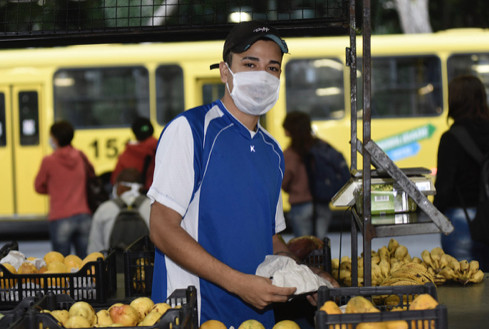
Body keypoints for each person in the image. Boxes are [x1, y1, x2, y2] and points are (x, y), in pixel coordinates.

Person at [147, 21, 298, 328]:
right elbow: (162, 227)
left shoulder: (273, 152)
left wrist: (303, 274)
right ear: (224, 71)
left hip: (257, 317)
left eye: (272, 68)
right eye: (250, 64)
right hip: (196, 315)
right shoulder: (191, 130)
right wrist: (238, 283)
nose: (262, 75)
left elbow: (268, 237)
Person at [434, 75, 489, 270]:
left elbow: (444, 188)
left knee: (466, 290)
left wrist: (435, 212)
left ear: (454, 101)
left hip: (462, 220)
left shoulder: (451, 139)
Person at [34, 120, 92, 258]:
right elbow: (92, 175)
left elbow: (38, 186)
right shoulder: (80, 156)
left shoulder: (49, 161)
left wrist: (54, 188)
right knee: (86, 264)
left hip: (60, 218)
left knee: (60, 267)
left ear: (55, 139)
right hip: (84, 216)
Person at [281, 111, 333, 238]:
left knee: (304, 250)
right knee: (320, 248)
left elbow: (284, 182)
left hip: (301, 206)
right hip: (322, 204)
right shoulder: (322, 146)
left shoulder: (290, 154)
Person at [87, 168, 151, 254]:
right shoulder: (152, 207)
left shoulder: (104, 209)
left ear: (119, 187)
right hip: (146, 265)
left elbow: (94, 251)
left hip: (113, 266)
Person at [111, 116, 158, 192]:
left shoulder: (126, 155)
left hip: (136, 199)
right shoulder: (162, 148)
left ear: (135, 134)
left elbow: (114, 180)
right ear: (152, 131)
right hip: (158, 197)